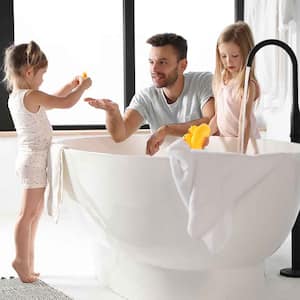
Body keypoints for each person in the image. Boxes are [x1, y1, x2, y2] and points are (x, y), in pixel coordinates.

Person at [3, 41, 92, 283]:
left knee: (34, 213)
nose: (43, 80)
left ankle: (27, 261)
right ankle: (20, 260)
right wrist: (82, 88)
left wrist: (69, 86)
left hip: (32, 159)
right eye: (42, 75)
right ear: (29, 72)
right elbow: (63, 103)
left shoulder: (21, 96)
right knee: (26, 213)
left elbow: (52, 98)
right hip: (32, 160)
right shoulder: (30, 95)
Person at [85, 33, 214, 155]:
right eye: (151, 62)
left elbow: (211, 121)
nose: (154, 69)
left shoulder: (202, 82)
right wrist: (112, 112)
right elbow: (120, 135)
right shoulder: (146, 97)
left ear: (182, 65)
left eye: (162, 62)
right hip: (167, 166)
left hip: (205, 164)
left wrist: (166, 130)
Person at [209, 21, 260, 152]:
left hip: (246, 145)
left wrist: (241, 151)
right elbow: (218, 116)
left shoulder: (247, 85)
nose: (228, 61)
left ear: (247, 53)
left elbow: (245, 121)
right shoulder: (221, 81)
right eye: (223, 56)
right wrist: (205, 135)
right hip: (226, 143)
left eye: (235, 56)